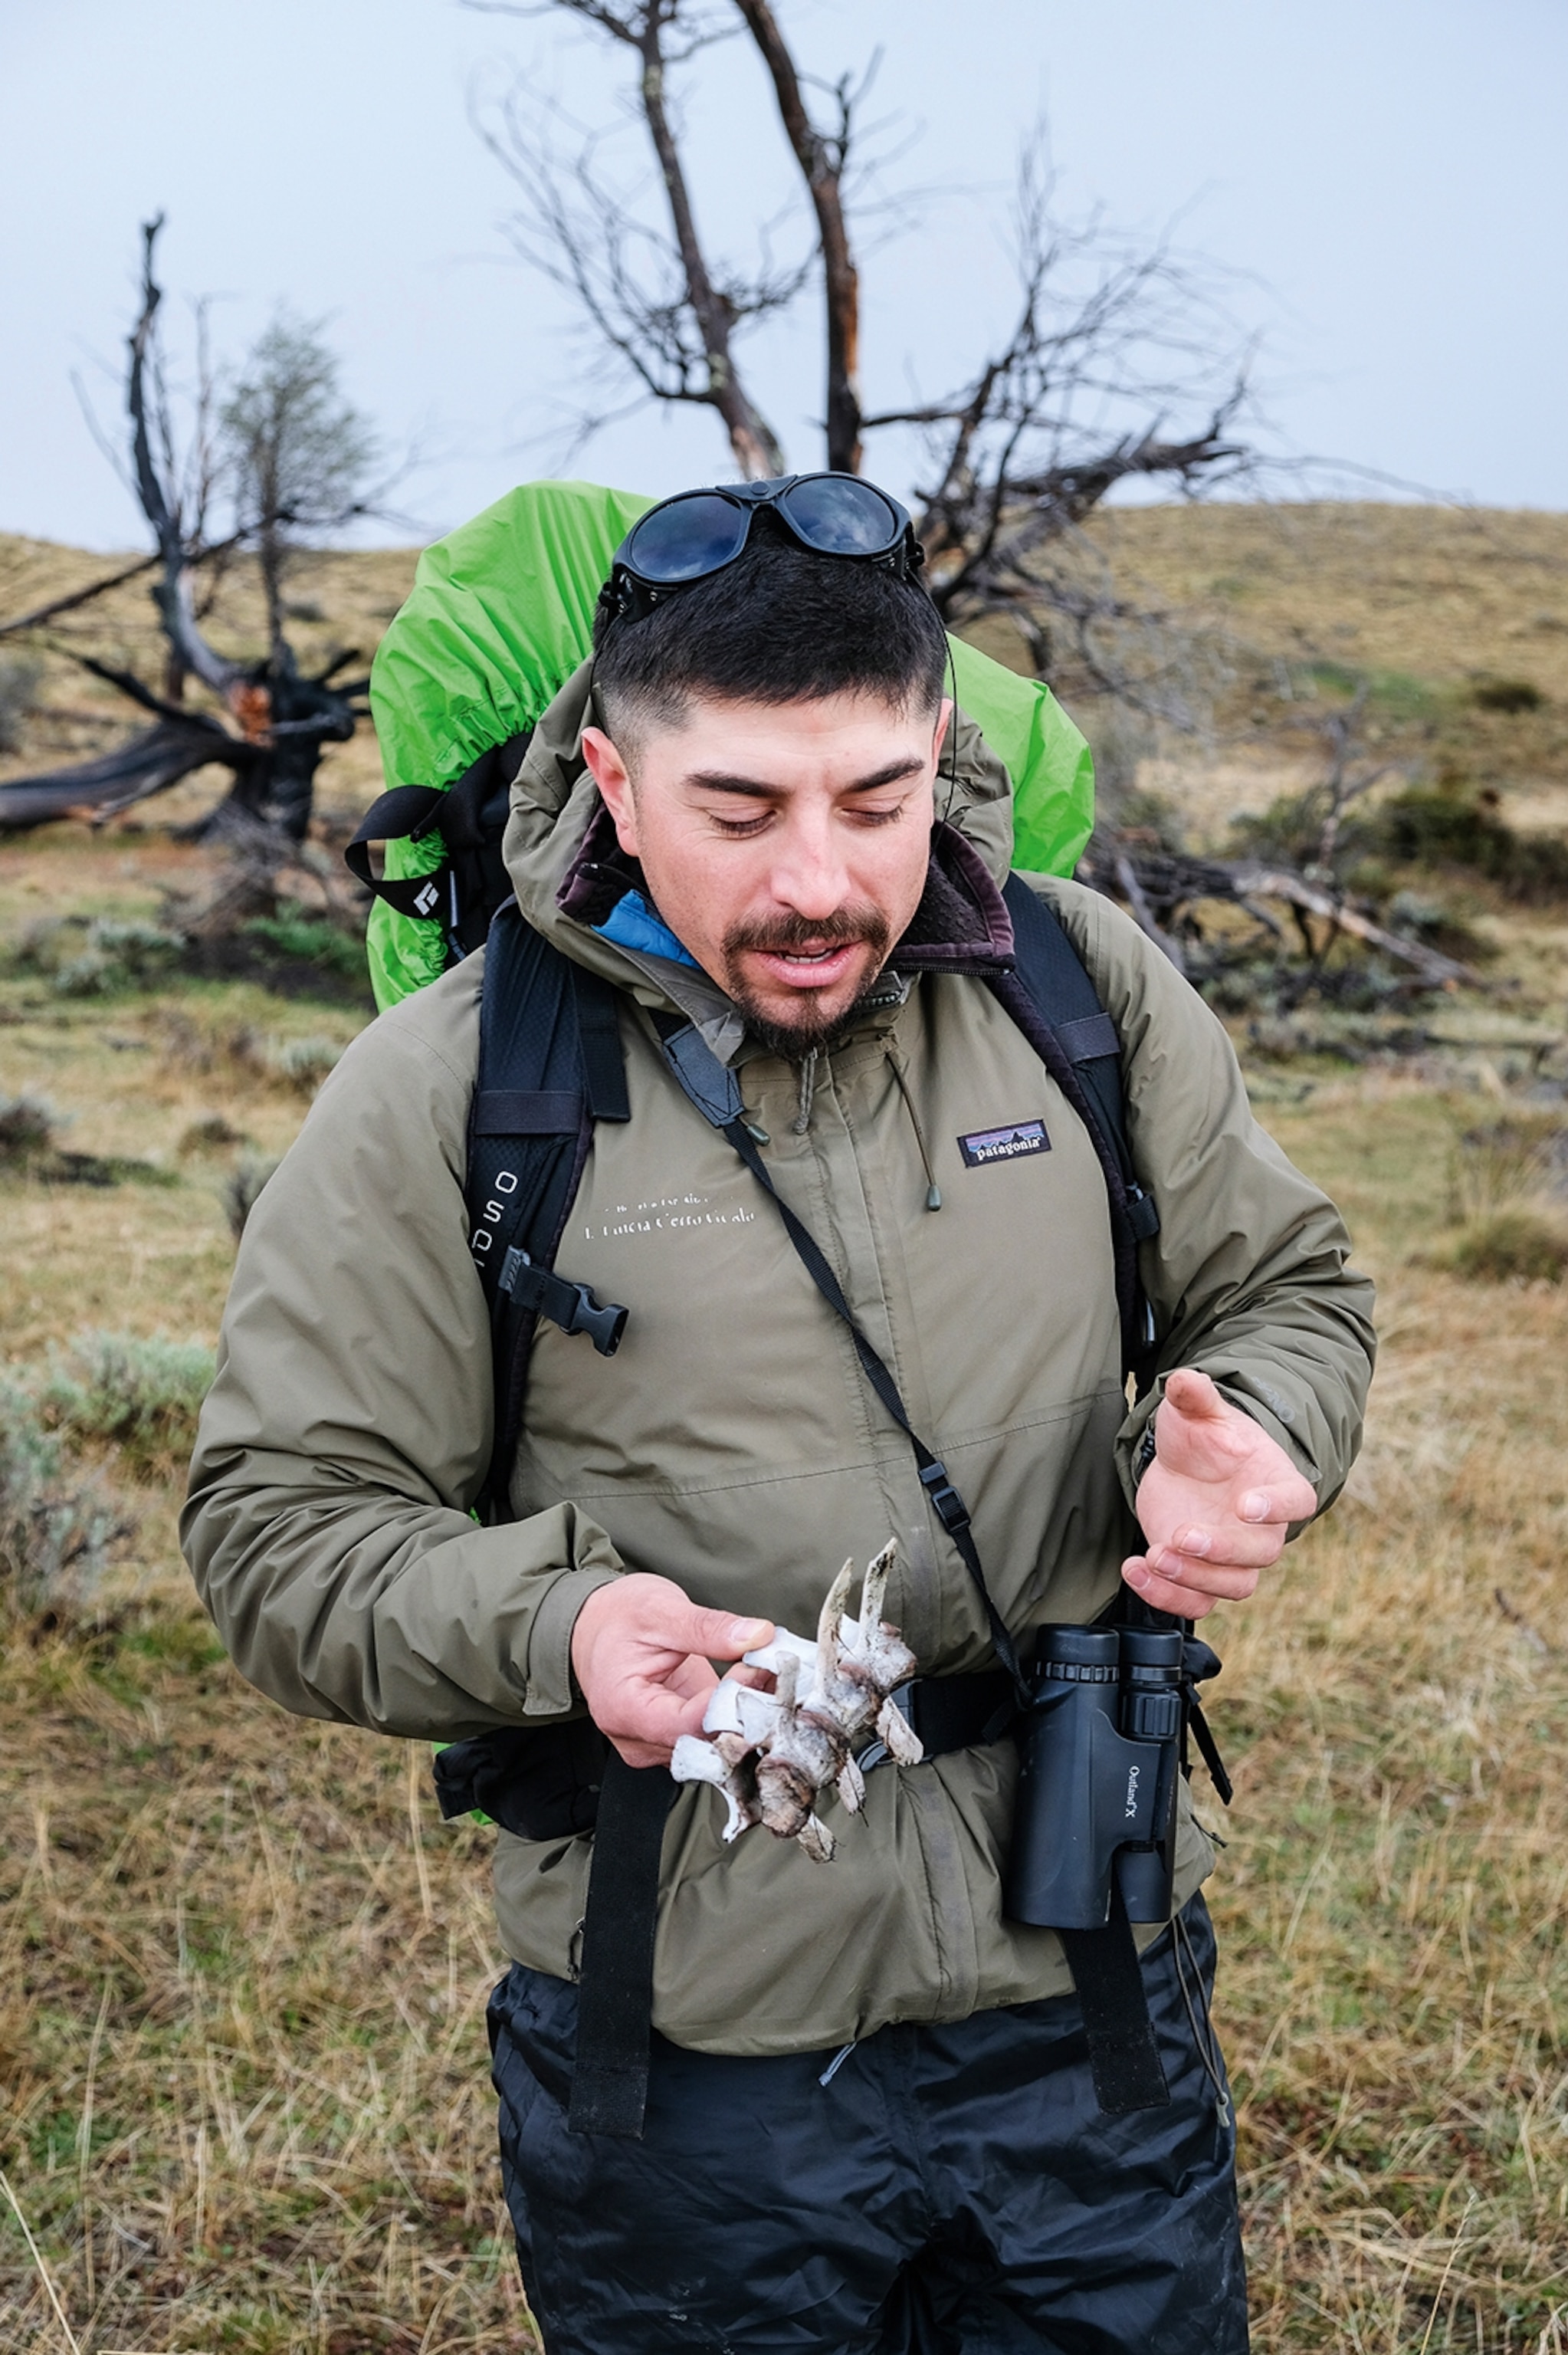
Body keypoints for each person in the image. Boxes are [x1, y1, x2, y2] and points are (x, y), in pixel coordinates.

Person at [184, 471, 1375, 2355]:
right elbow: (277, 1522)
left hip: (1092, 1982)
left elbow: (1290, 1293)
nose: (818, 878)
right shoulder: (448, 1093)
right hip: (681, 2048)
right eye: (737, 810)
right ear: (612, 777)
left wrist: (1271, 1435)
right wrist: (560, 1625)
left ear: (939, 756)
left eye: (878, 801)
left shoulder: (1084, 993)